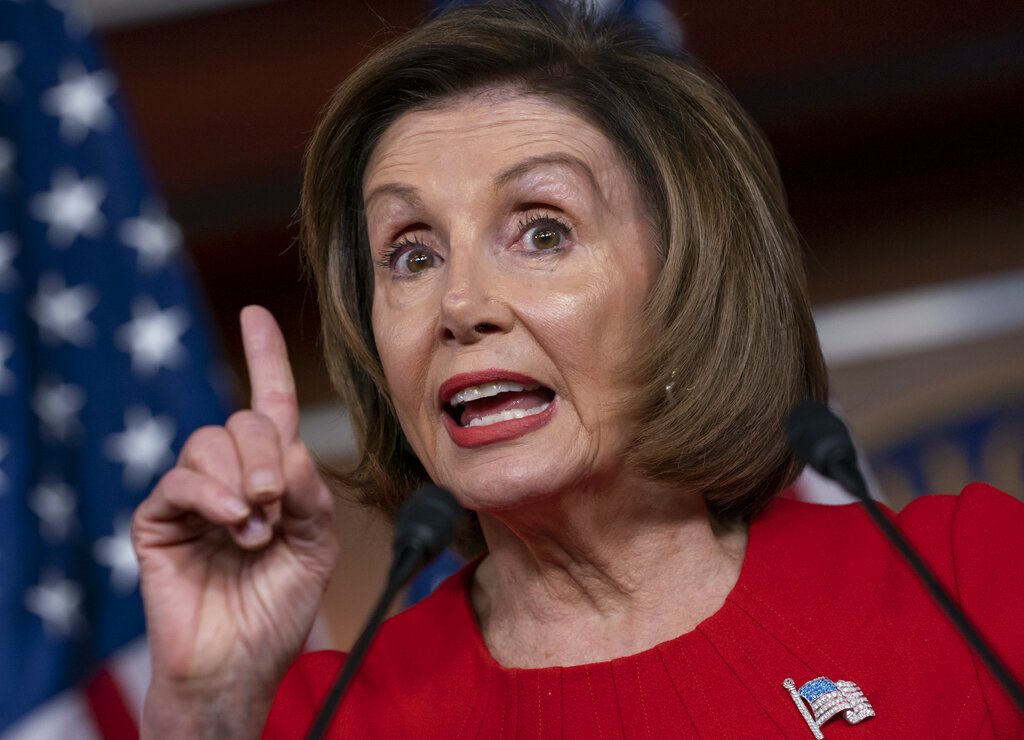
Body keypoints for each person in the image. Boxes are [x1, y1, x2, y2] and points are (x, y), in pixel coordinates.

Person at [131, 2, 1024, 737]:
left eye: (543, 230)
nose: (458, 303)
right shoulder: (325, 718)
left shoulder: (969, 583)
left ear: (686, 284)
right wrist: (208, 710)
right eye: (409, 254)